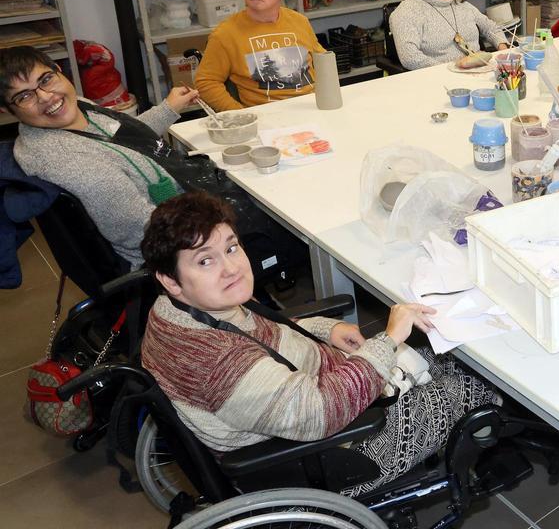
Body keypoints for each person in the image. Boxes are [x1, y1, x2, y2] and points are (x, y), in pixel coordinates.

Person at [139, 191, 497, 498]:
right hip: (328, 454)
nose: (230, 268)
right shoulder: (216, 363)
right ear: (170, 279)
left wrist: (325, 330)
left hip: (315, 389)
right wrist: (387, 341)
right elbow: (319, 414)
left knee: (453, 354)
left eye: (231, 248)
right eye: (206, 260)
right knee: (482, 381)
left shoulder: (178, 311)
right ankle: (480, 440)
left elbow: (260, 335)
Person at [1, 45, 198, 267]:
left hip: (174, 212)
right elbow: (144, 229)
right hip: (169, 250)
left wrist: (168, 108)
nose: (46, 97)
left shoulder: (79, 108)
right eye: (24, 96)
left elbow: (122, 140)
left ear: (58, 70)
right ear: (8, 110)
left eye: (46, 79)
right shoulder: (69, 161)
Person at [195, 0, 324, 111]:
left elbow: (323, 61)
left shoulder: (299, 21)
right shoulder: (225, 34)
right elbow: (206, 82)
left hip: (312, 108)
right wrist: (241, 115)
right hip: (266, 119)